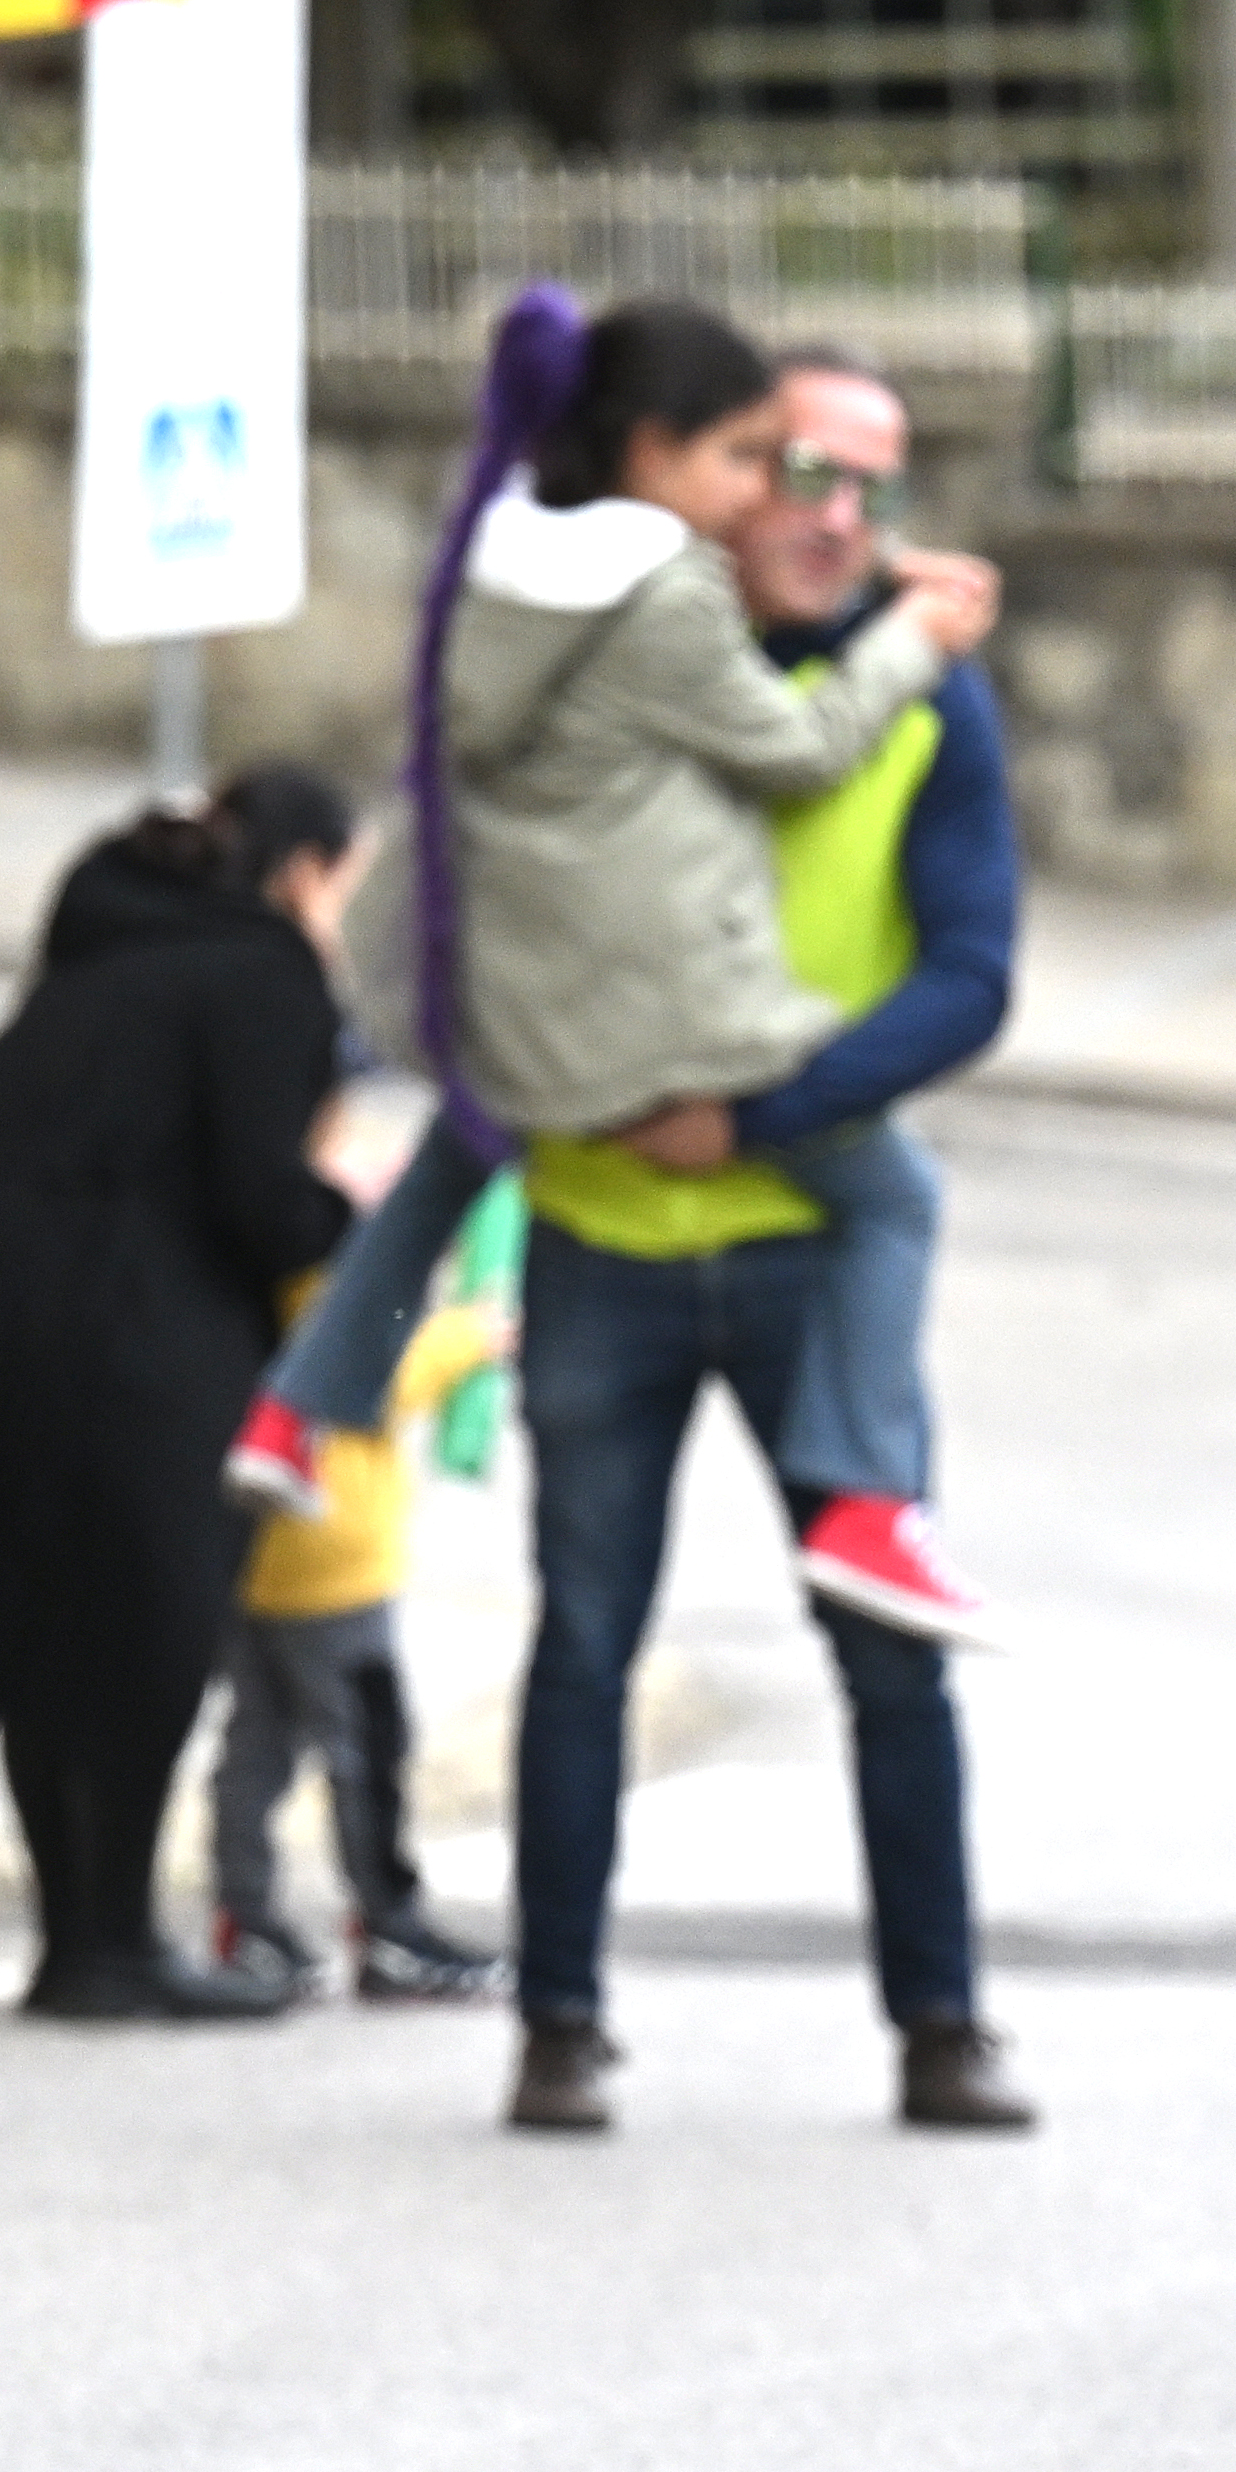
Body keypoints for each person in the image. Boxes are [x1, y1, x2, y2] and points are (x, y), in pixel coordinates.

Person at [236, 294, 1007, 1650]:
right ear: (654, 451)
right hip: (647, 1032)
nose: (765, 492)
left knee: (446, 1166)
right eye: (746, 460)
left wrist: (870, 587)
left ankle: (300, 1406)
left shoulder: (503, 560)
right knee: (894, 1194)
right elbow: (803, 744)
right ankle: (863, 1504)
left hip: (507, 1015)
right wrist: (914, 642)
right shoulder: (666, 597)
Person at [492, 338, 1043, 2135]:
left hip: (811, 1235)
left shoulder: (923, 695)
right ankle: (556, 2025)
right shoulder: (621, 651)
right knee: (582, 1640)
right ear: (724, 479)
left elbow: (969, 978)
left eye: (871, 487)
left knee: (888, 1642)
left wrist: (756, 1114)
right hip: (600, 1231)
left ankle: (940, 2026)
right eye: (799, 471)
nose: (832, 516)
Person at [0, 779, 360, 2016]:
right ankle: (105, 1948)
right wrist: (349, 1216)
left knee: (27, 1619)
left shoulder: (115, 937)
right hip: (108, 1312)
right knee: (136, 1627)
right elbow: (261, 1203)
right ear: (308, 873)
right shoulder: (264, 972)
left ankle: (85, 1939)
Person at [207, 1273, 511, 2003]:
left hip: (257, 1552)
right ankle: (388, 1925)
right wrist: (470, 1336)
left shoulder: (238, 1262)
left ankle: (244, 1917)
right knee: (367, 1751)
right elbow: (377, 1375)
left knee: (256, 1747)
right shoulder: (322, 1267)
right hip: (335, 1557)